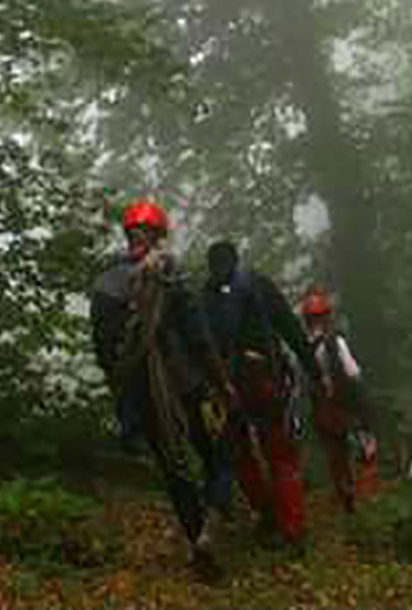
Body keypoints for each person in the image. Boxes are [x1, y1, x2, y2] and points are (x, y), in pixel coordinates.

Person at [89, 200, 234, 584]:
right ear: (158, 234)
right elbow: (198, 337)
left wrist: (123, 396)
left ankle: (197, 541)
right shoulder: (167, 272)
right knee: (219, 449)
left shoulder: (105, 282)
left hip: (141, 393)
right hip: (186, 383)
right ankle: (213, 525)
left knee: (174, 470)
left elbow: (104, 350)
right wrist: (222, 383)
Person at [203, 240, 326, 556]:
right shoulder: (256, 284)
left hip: (229, 386)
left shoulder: (208, 294)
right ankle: (293, 531)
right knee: (281, 457)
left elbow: (202, 344)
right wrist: (315, 371)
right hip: (264, 381)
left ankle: (268, 514)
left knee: (241, 454)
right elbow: (290, 328)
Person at [300, 287, 379, 514]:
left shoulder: (303, 348)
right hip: (347, 408)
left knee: (336, 456)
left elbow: (304, 383)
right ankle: (367, 502)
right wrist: (364, 407)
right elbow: (353, 374)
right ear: (326, 316)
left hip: (322, 411)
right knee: (365, 449)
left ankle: (347, 498)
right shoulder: (335, 342)